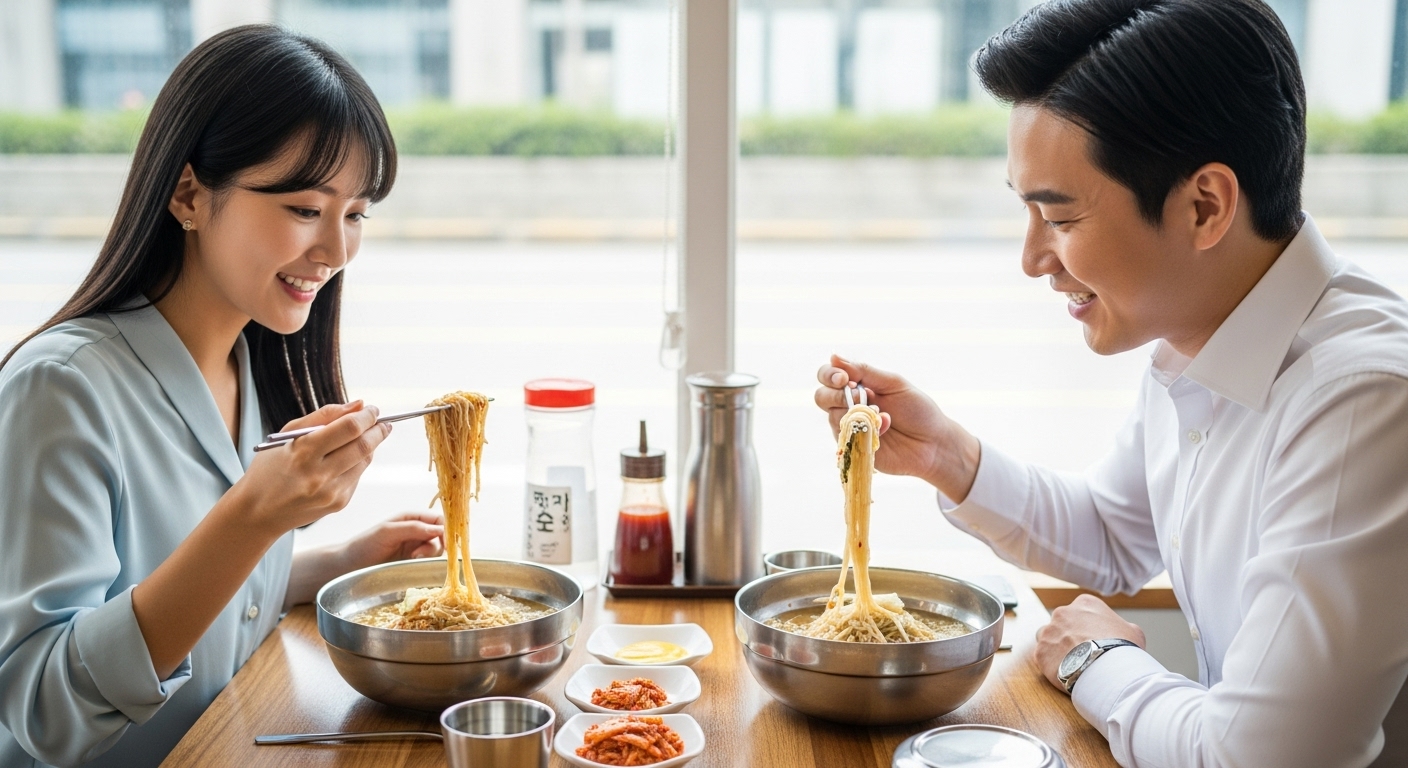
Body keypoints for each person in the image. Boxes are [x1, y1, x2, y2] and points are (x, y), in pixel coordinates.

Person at [814, 1, 1408, 766]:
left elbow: (1255, 759)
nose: (1033, 258)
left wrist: (1095, 660)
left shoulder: (1363, 403)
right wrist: (947, 459)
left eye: (1058, 218)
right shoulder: (1206, 331)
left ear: (1205, 206)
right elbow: (1116, 535)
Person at [0, 26, 445, 767]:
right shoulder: (61, 388)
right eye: (305, 209)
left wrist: (327, 565)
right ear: (188, 195)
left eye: (357, 213)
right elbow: (44, 709)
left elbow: (171, 584)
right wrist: (254, 517)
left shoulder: (249, 364)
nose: (336, 251)